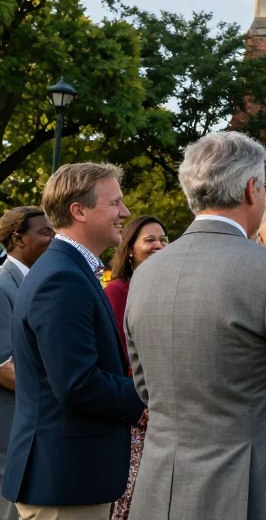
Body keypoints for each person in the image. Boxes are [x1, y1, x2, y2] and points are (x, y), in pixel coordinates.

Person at [124, 132, 266, 520]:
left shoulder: (145, 273)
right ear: (252, 189)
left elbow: (145, 386)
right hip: (252, 485)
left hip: (163, 487)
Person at [2, 164, 146, 520]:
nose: (124, 213)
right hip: (65, 481)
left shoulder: (67, 269)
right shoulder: (62, 278)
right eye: (115, 203)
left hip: (70, 477)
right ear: (78, 211)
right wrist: (147, 398)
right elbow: (76, 383)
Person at [103, 216, 168, 520]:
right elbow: (117, 358)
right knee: (129, 500)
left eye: (163, 239)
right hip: (135, 413)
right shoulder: (117, 291)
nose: (158, 245)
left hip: (164, 409)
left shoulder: (166, 288)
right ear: (129, 249)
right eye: (150, 240)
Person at [0, 207, 54, 520]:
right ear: (18, 238)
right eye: (45, 232)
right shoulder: (3, 286)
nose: (53, 239)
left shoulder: (33, 281)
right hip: (9, 429)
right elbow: (6, 368)